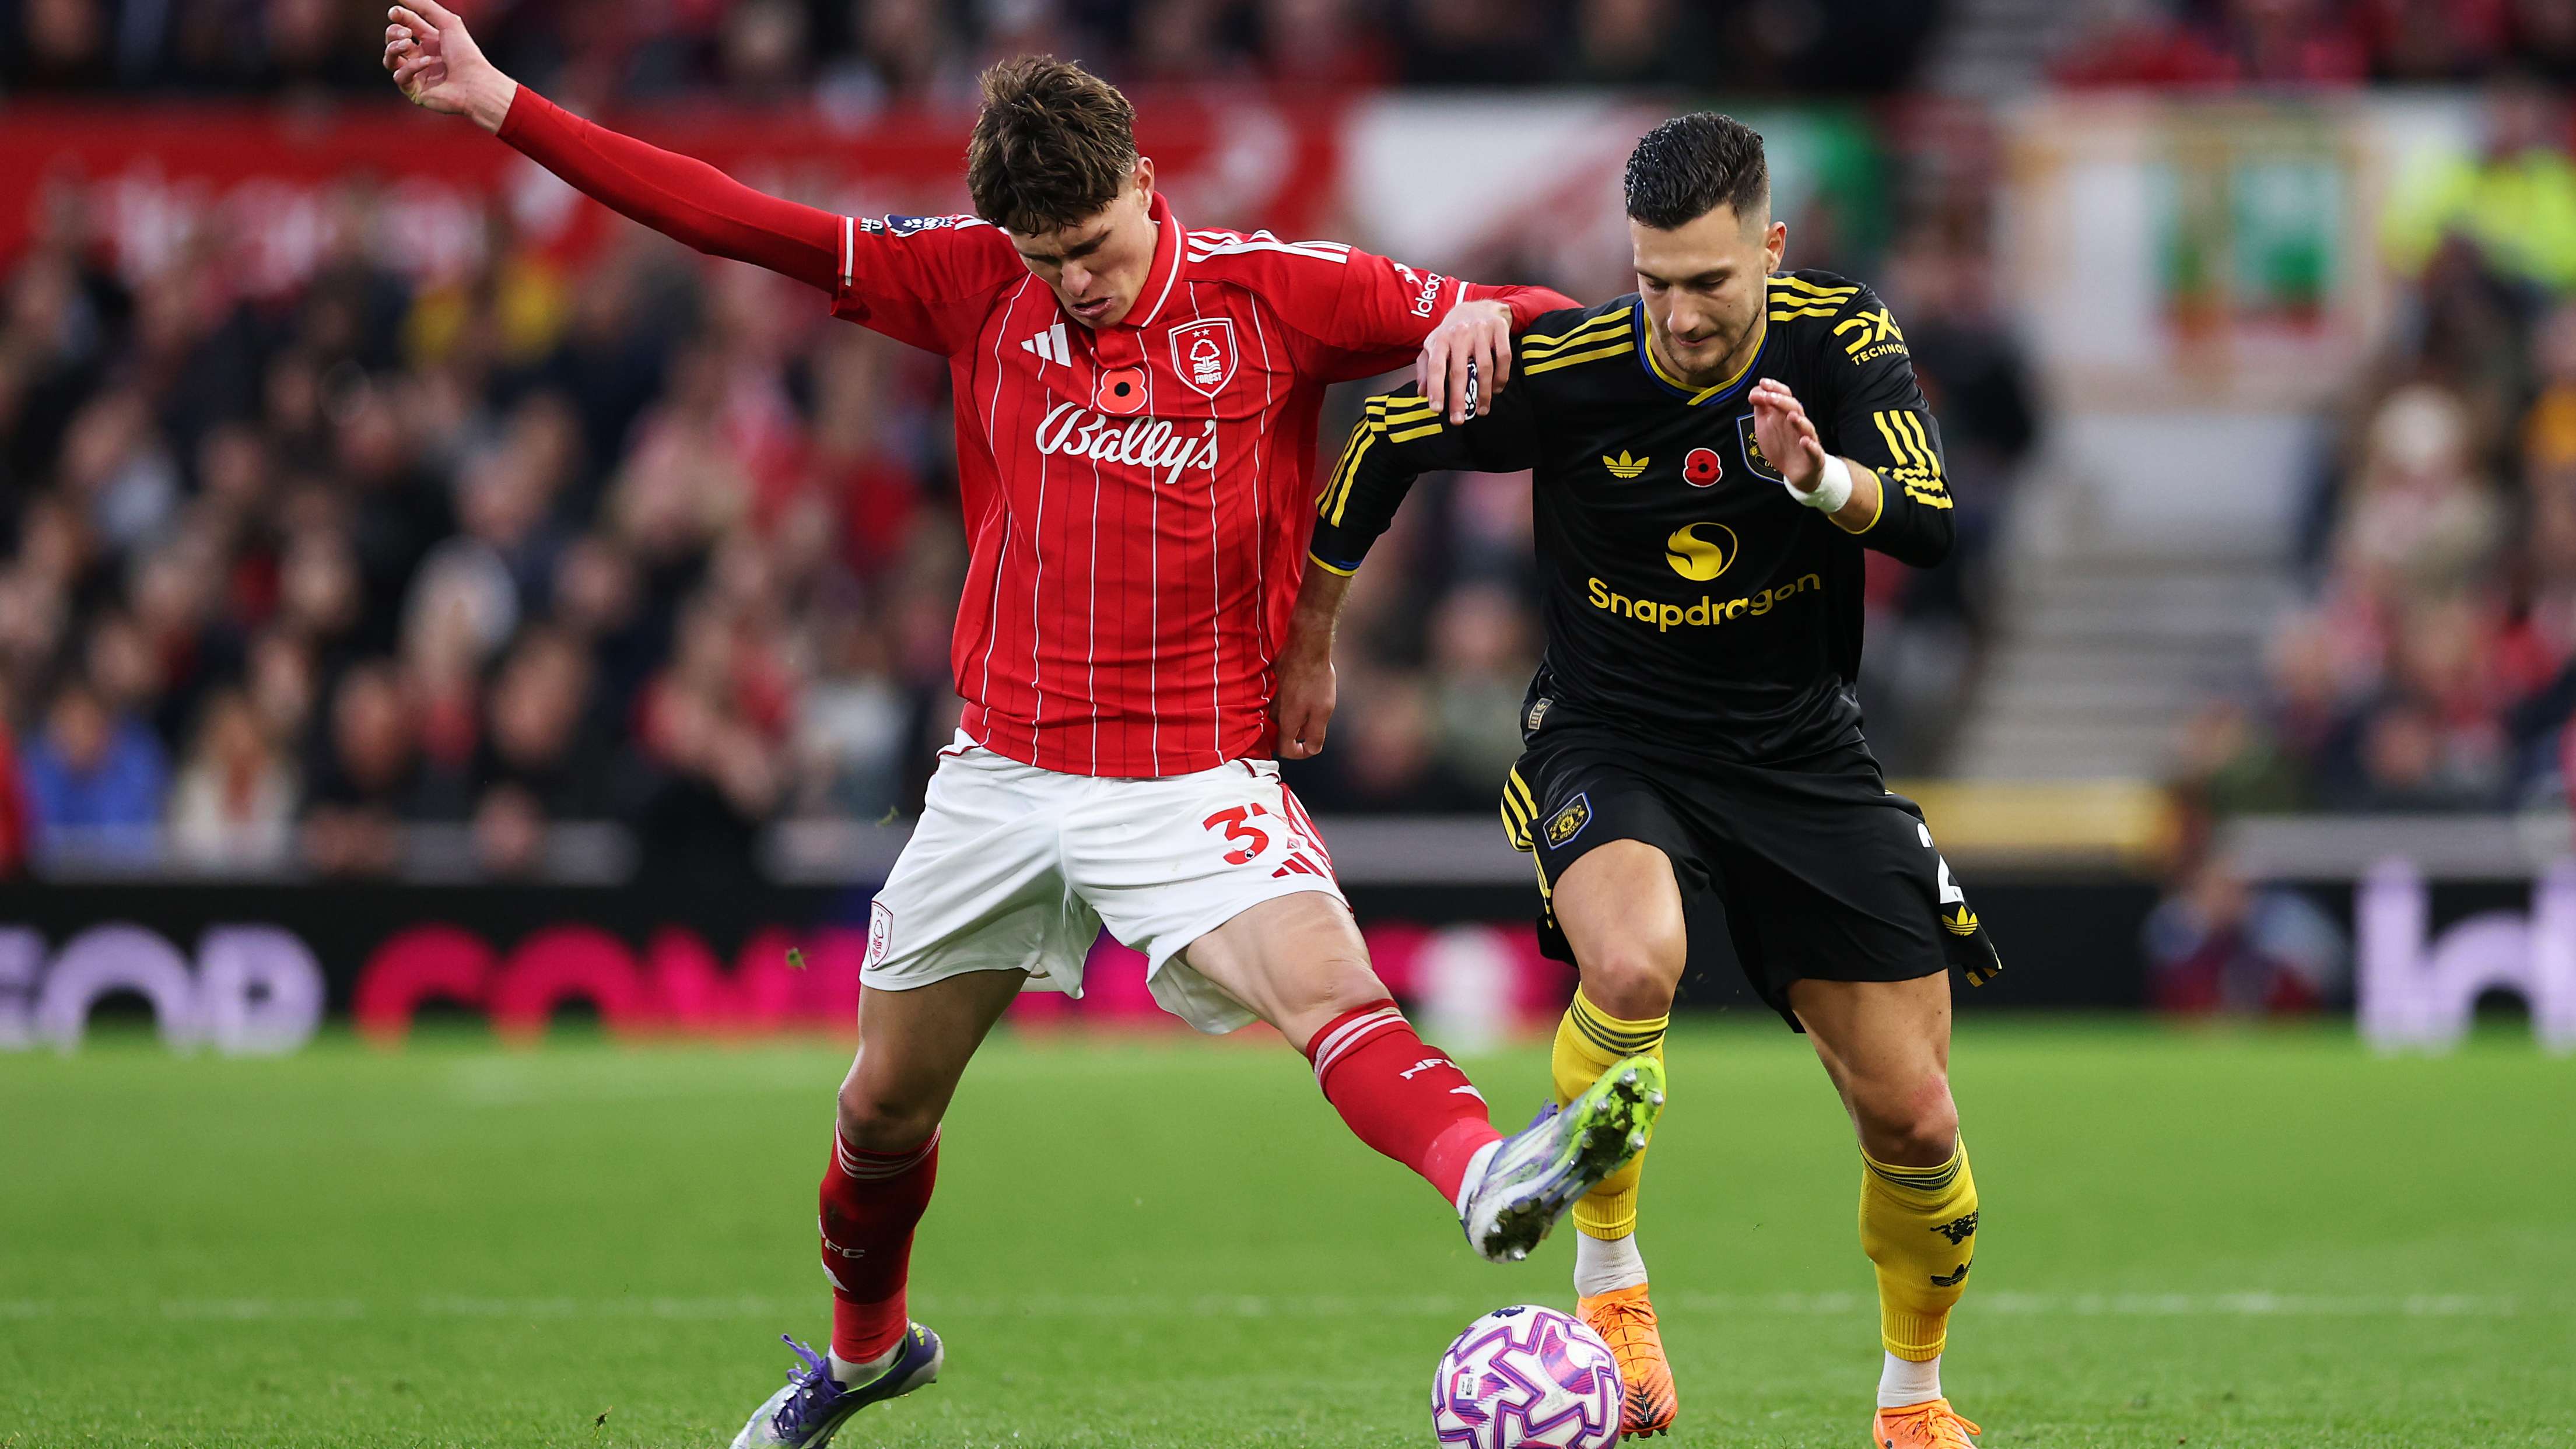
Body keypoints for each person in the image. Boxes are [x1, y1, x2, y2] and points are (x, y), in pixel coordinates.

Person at [379, 9, 1663, 1448]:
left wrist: (1491, 310)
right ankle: (867, 1356)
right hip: (996, 780)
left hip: (1185, 774)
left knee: (1328, 991)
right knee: (877, 1115)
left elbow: (1555, 336)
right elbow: (744, 223)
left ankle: (1488, 1170)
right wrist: (503, 104)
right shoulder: (976, 278)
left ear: (1145, 185)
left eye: (1094, 250)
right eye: (1047, 262)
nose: (1076, 286)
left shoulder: (1279, 292)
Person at [1280, 114, 2004, 1447]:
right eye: (1651, 279)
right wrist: (1314, 636)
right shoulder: (1573, 365)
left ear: (1771, 252)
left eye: (1708, 282)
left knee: (1913, 1114)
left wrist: (1816, 476)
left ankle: (1911, 1398)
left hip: (1799, 755)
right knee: (1634, 965)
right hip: (1610, 737)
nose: (1675, 312)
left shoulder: (1842, 339)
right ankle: (1610, 1285)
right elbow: (1383, 436)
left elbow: (1934, 522)